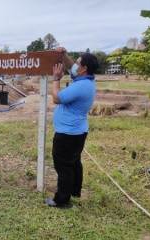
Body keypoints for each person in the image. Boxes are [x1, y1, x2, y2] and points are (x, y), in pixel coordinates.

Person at [43, 47, 99, 208]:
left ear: (84, 68)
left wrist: (56, 79)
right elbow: (71, 68)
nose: (74, 65)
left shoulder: (80, 86)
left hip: (68, 133)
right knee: (74, 162)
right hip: (77, 131)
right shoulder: (86, 80)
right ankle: (75, 190)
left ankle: (62, 200)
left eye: (78, 63)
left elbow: (57, 98)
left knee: (63, 165)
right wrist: (64, 55)